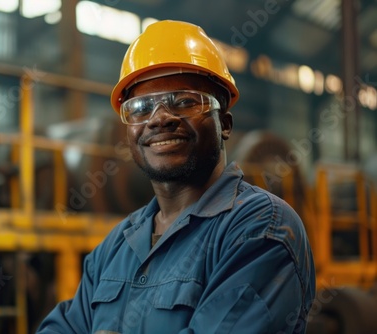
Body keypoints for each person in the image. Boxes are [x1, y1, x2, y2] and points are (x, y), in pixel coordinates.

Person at [36, 20, 315, 334]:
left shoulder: (262, 229)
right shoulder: (117, 245)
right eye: (140, 107)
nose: (159, 119)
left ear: (224, 123)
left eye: (184, 102)